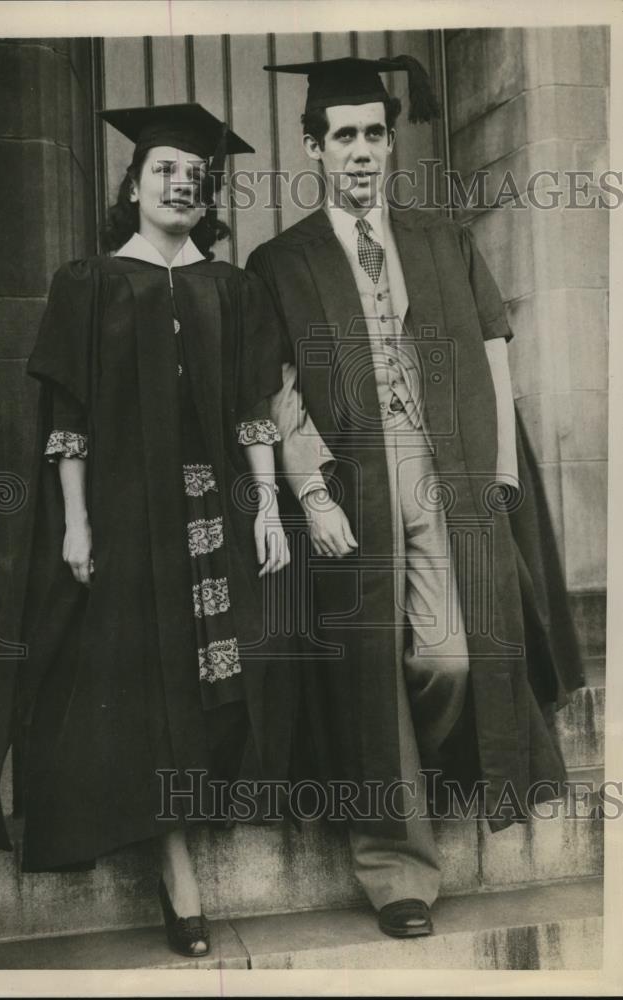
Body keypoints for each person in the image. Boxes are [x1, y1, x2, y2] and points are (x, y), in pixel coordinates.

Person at [247, 57, 583, 939]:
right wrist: (310, 490)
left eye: (372, 134)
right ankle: (398, 871)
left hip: (444, 471)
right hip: (350, 477)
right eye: (342, 136)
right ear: (314, 148)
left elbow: (493, 351)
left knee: (446, 659)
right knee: (367, 677)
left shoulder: (441, 240)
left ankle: (427, 777)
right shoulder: (281, 260)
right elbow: (274, 387)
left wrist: (501, 470)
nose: (360, 152)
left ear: (390, 143)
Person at [0, 103, 295, 958]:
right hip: (123, 515)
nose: (180, 184)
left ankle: (204, 812)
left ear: (206, 193)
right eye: (163, 171)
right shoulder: (90, 282)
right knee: (148, 686)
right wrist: (75, 524)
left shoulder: (232, 288)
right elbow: (65, 418)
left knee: (224, 677)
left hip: (212, 511)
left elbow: (255, 408)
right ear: (133, 183)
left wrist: (264, 503)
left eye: (195, 175)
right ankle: (177, 875)